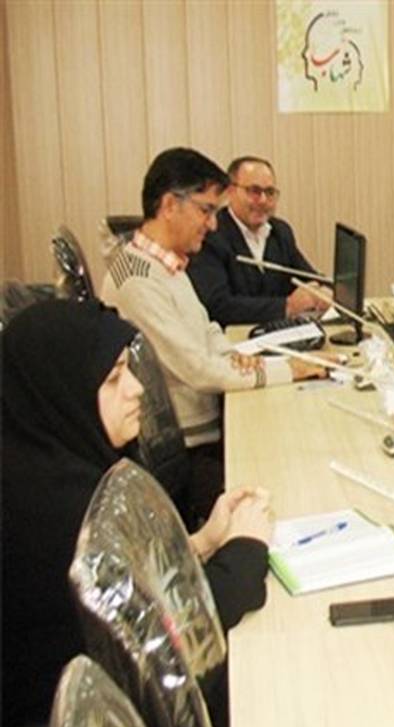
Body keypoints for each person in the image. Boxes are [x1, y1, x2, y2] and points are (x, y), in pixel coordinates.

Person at [1, 300, 273, 727]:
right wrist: (245, 552)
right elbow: (170, 639)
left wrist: (202, 542)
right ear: (62, 393)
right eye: (113, 379)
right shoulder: (62, 514)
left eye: (128, 369)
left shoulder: (44, 464)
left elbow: (131, 580)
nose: (137, 389)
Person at [100, 148, 326, 516]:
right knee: (294, 474)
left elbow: (206, 329)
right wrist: (289, 370)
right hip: (187, 451)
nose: (213, 224)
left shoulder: (165, 263)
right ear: (170, 205)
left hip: (206, 424)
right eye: (205, 211)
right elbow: (198, 369)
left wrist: (239, 357)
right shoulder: (138, 281)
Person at [188, 156, 331, 326]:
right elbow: (218, 305)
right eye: (254, 191)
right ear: (231, 192)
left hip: (280, 333)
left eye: (269, 192)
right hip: (233, 337)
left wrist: (324, 291)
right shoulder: (211, 234)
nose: (263, 200)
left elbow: (307, 277)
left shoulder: (280, 231)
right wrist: (287, 306)